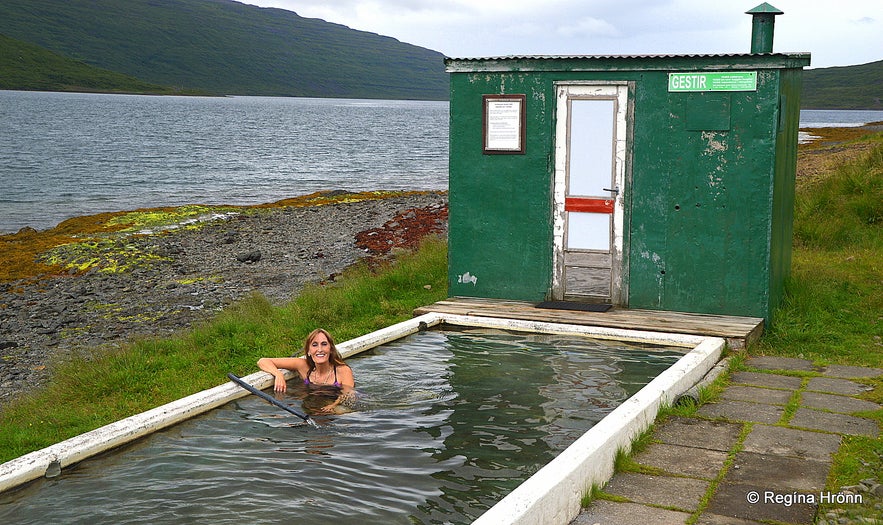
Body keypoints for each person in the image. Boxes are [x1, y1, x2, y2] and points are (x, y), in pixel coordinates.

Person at [257, 328, 355, 414]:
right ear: (308, 351)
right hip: (310, 405)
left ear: (331, 349)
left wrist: (332, 406)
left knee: (343, 412)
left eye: (324, 344)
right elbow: (263, 361)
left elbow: (349, 396)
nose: (319, 349)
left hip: (333, 407)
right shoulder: (303, 366)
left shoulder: (343, 371)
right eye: (315, 345)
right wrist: (279, 375)